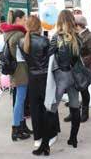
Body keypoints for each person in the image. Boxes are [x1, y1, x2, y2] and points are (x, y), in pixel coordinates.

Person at [32, 9, 82, 156]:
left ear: (60, 21)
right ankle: (73, 139)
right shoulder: (77, 37)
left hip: (61, 77)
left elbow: (48, 55)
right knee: (74, 106)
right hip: (74, 76)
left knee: (51, 110)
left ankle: (45, 146)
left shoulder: (56, 38)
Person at [19, 15, 59, 147]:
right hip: (45, 77)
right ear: (38, 26)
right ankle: (51, 134)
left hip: (32, 77)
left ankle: (38, 137)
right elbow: (51, 59)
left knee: (35, 108)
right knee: (48, 106)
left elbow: (23, 60)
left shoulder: (22, 42)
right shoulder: (44, 41)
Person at [0, 10, 31, 141]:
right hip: (21, 70)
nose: (25, 21)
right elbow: (25, 52)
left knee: (19, 100)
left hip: (15, 70)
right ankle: (16, 128)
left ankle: (20, 127)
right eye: (24, 19)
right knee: (20, 101)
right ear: (18, 19)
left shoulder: (8, 33)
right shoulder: (19, 34)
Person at [63, 11, 91, 123]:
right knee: (72, 92)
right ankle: (73, 113)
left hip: (84, 70)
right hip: (73, 69)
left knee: (84, 91)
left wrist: (81, 61)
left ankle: (85, 113)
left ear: (78, 25)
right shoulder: (73, 35)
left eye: (73, 25)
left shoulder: (89, 36)